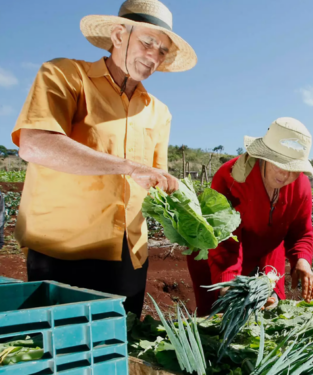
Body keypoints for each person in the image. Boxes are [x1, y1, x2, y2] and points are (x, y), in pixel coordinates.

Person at [11, 0, 196, 318]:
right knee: (64, 355)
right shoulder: (65, 75)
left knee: (121, 349)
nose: (153, 56)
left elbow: (155, 180)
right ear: (119, 35)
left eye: (162, 51)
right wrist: (128, 166)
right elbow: (35, 144)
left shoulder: (159, 112)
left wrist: (185, 208)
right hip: (63, 248)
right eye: (148, 42)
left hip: (129, 254)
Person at [187, 117, 313, 316]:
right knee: (217, 321)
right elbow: (223, 241)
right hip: (217, 253)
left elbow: (301, 232)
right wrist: (229, 288)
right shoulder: (230, 177)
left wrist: (302, 261)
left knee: (271, 313)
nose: (284, 175)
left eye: (292, 169)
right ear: (264, 156)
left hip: (267, 251)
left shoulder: (301, 187)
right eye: (278, 165)